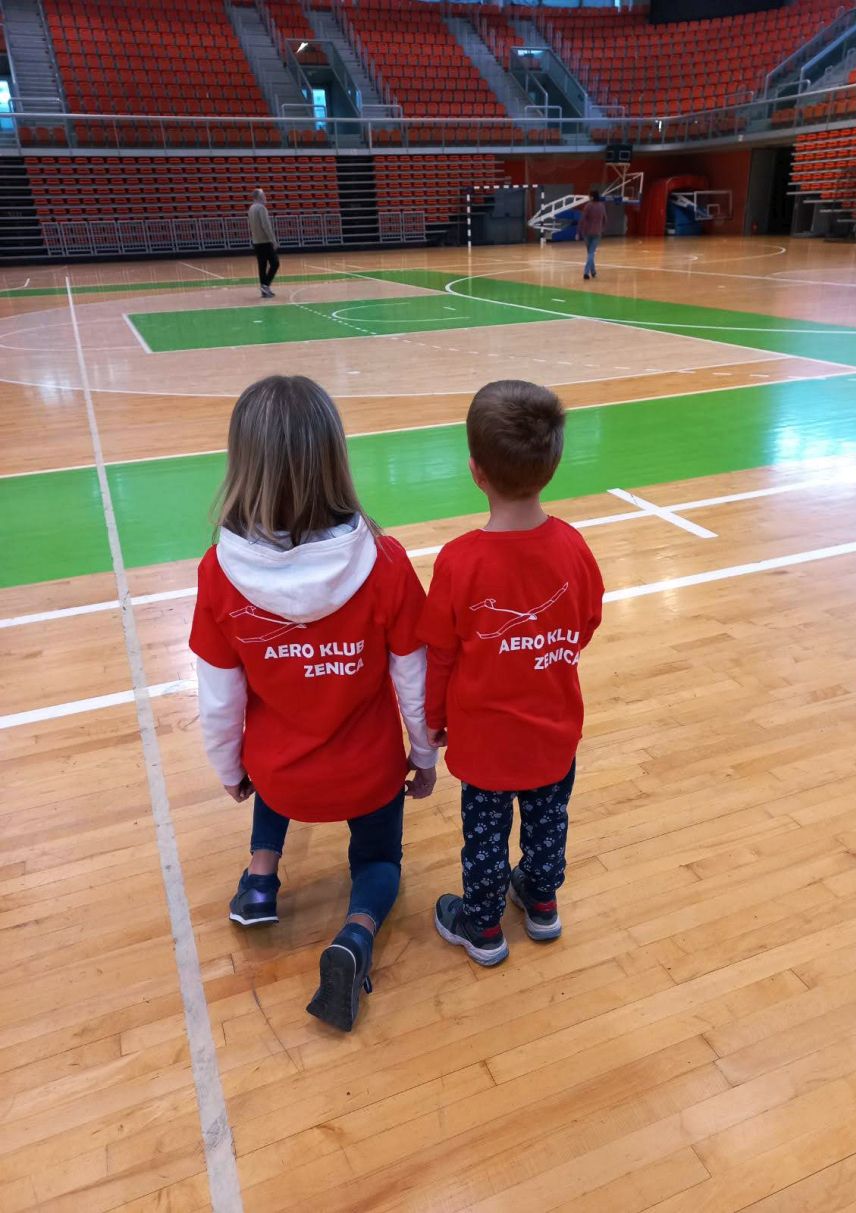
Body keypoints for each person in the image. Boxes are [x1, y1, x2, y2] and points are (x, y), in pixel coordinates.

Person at [189, 375, 436, 1031]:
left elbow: (219, 699)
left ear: (242, 464)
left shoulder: (218, 573)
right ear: (335, 457)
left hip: (281, 778)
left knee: (273, 753)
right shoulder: (385, 562)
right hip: (369, 776)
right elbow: (415, 680)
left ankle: (260, 876)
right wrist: (425, 756)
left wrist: (229, 769)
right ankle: (355, 935)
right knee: (379, 861)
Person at [419, 380, 604, 967]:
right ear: (552, 465)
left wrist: (433, 718)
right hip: (553, 730)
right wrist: (543, 653)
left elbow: (440, 654)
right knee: (549, 822)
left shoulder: (458, 561)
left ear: (476, 471)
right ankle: (542, 905)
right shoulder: (573, 547)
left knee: (485, 836)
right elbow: (586, 623)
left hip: (486, 742)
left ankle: (483, 927)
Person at [248, 188, 280, 299]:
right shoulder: (261, 208)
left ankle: (264, 289)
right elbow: (266, 226)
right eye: (264, 195)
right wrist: (273, 240)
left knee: (262, 266)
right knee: (275, 263)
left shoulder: (251, 208)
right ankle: (265, 285)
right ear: (259, 196)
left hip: (256, 242)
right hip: (265, 241)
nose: (265, 197)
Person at [576, 189, 607, 281]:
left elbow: (582, 219)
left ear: (592, 197)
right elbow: (605, 219)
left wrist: (578, 231)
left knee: (590, 252)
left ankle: (586, 272)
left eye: (589, 196)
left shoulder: (588, 206)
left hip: (587, 232)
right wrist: (602, 229)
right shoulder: (602, 206)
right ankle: (593, 272)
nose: (588, 197)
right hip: (597, 232)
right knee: (591, 253)